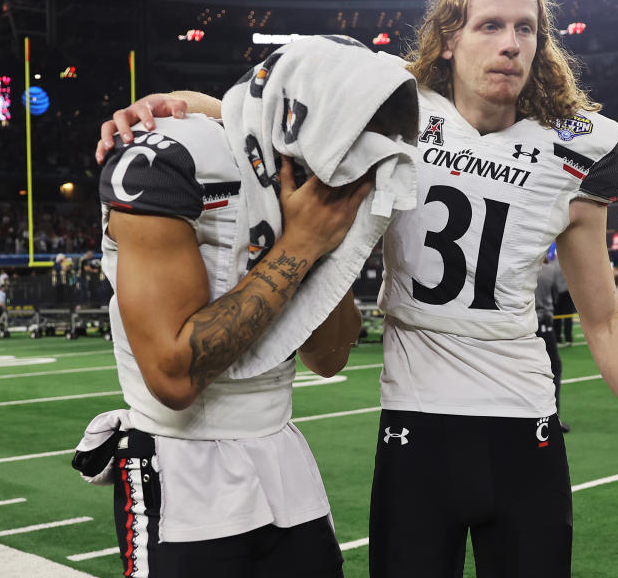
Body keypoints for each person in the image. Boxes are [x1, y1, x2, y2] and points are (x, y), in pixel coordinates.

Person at [96, 0, 618, 576]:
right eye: (489, 25)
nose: (510, 43)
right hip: (417, 418)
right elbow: (263, 109)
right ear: (449, 38)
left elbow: (604, 322)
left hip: (524, 417)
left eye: (526, 28)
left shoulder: (574, 151)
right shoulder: (394, 110)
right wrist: (164, 104)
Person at [78, 112, 388, 577]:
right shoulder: (162, 161)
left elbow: (329, 358)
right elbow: (175, 377)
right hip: (181, 464)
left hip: (282, 456)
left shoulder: (296, 176)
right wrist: (301, 244)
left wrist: (324, 245)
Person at [535, 255, 569, 432]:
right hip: (545, 325)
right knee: (554, 369)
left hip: (524, 326)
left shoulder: (524, 268)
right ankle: (553, 418)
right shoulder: (549, 271)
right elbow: (557, 295)